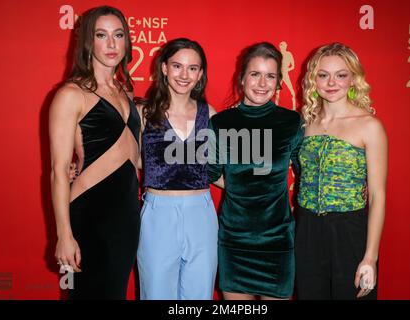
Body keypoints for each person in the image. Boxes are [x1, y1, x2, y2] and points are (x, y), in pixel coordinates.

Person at [49, 6, 141, 299]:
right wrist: (64, 234)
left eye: (118, 35)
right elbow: (59, 170)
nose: (112, 44)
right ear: (89, 41)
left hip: (126, 214)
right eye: (102, 35)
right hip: (90, 215)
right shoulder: (70, 95)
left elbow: (136, 158)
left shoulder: (126, 93)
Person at [207, 42, 303, 300]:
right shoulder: (221, 123)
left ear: (279, 81)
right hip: (235, 241)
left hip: (278, 241)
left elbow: (306, 172)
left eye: (270, 76)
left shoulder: (291, 122)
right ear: (241, 78)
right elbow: (210, 171)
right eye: (255, 74)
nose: (262, 83)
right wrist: (242, 186)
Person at [295, 42, 388, 300]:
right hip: (307, 230)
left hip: (349, 231)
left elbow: (378, 196)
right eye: (323, 75)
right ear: (314, 79)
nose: (331, 82)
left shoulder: (369, 125)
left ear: (353, 79)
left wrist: (370, 257)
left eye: (341, 75)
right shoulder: (306, 124)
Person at [137, 38, 219, 300]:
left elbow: (221, 173)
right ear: (163, 68)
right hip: (157, 214)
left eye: (193, 68)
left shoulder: (211, 114)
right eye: (177, 66)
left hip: (201, 214)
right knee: (156, 294)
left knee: (199, 297)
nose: (185, 75)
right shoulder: (143, 113)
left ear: (201, 74)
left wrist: (267, 174)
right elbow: (128, 161)